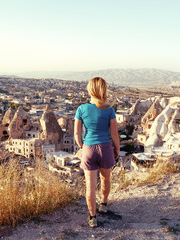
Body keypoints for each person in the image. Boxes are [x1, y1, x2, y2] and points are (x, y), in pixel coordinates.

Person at [74, 77, 120, 228]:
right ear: (104, 90)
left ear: (90, 90)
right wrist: (117, 149)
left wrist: (83, 146)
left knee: (90, 186)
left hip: (88, 148)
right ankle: (104, 205)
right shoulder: (109, 110)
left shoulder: (81, 109)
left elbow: (76, 134)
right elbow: (114, 135)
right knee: (106, 179)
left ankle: (92, 217)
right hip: (105, 148)